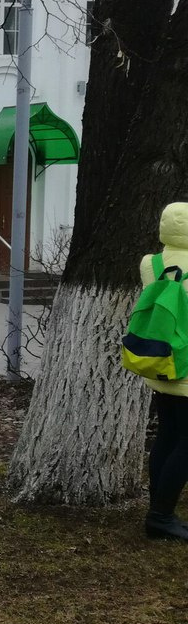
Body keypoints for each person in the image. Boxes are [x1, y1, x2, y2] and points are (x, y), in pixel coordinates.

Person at [137, 203, 188, 542]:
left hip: (160, 363)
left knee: (168, 435)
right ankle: (160, 516)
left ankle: (160, 510)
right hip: (186, 368)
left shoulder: (150, 263)